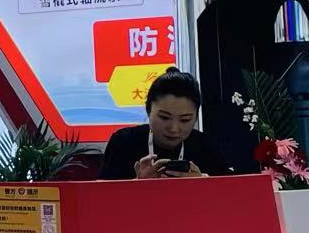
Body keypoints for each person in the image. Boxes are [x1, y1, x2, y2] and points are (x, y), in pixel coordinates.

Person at [100, 69, 234, 180]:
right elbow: (100, 196)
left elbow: (231, 193)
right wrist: (137, 184)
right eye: (164, 117)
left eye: (185, 120)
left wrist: (203, 183)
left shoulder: (205, 146)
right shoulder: (123, 142)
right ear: (148, 110)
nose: (173, 129)